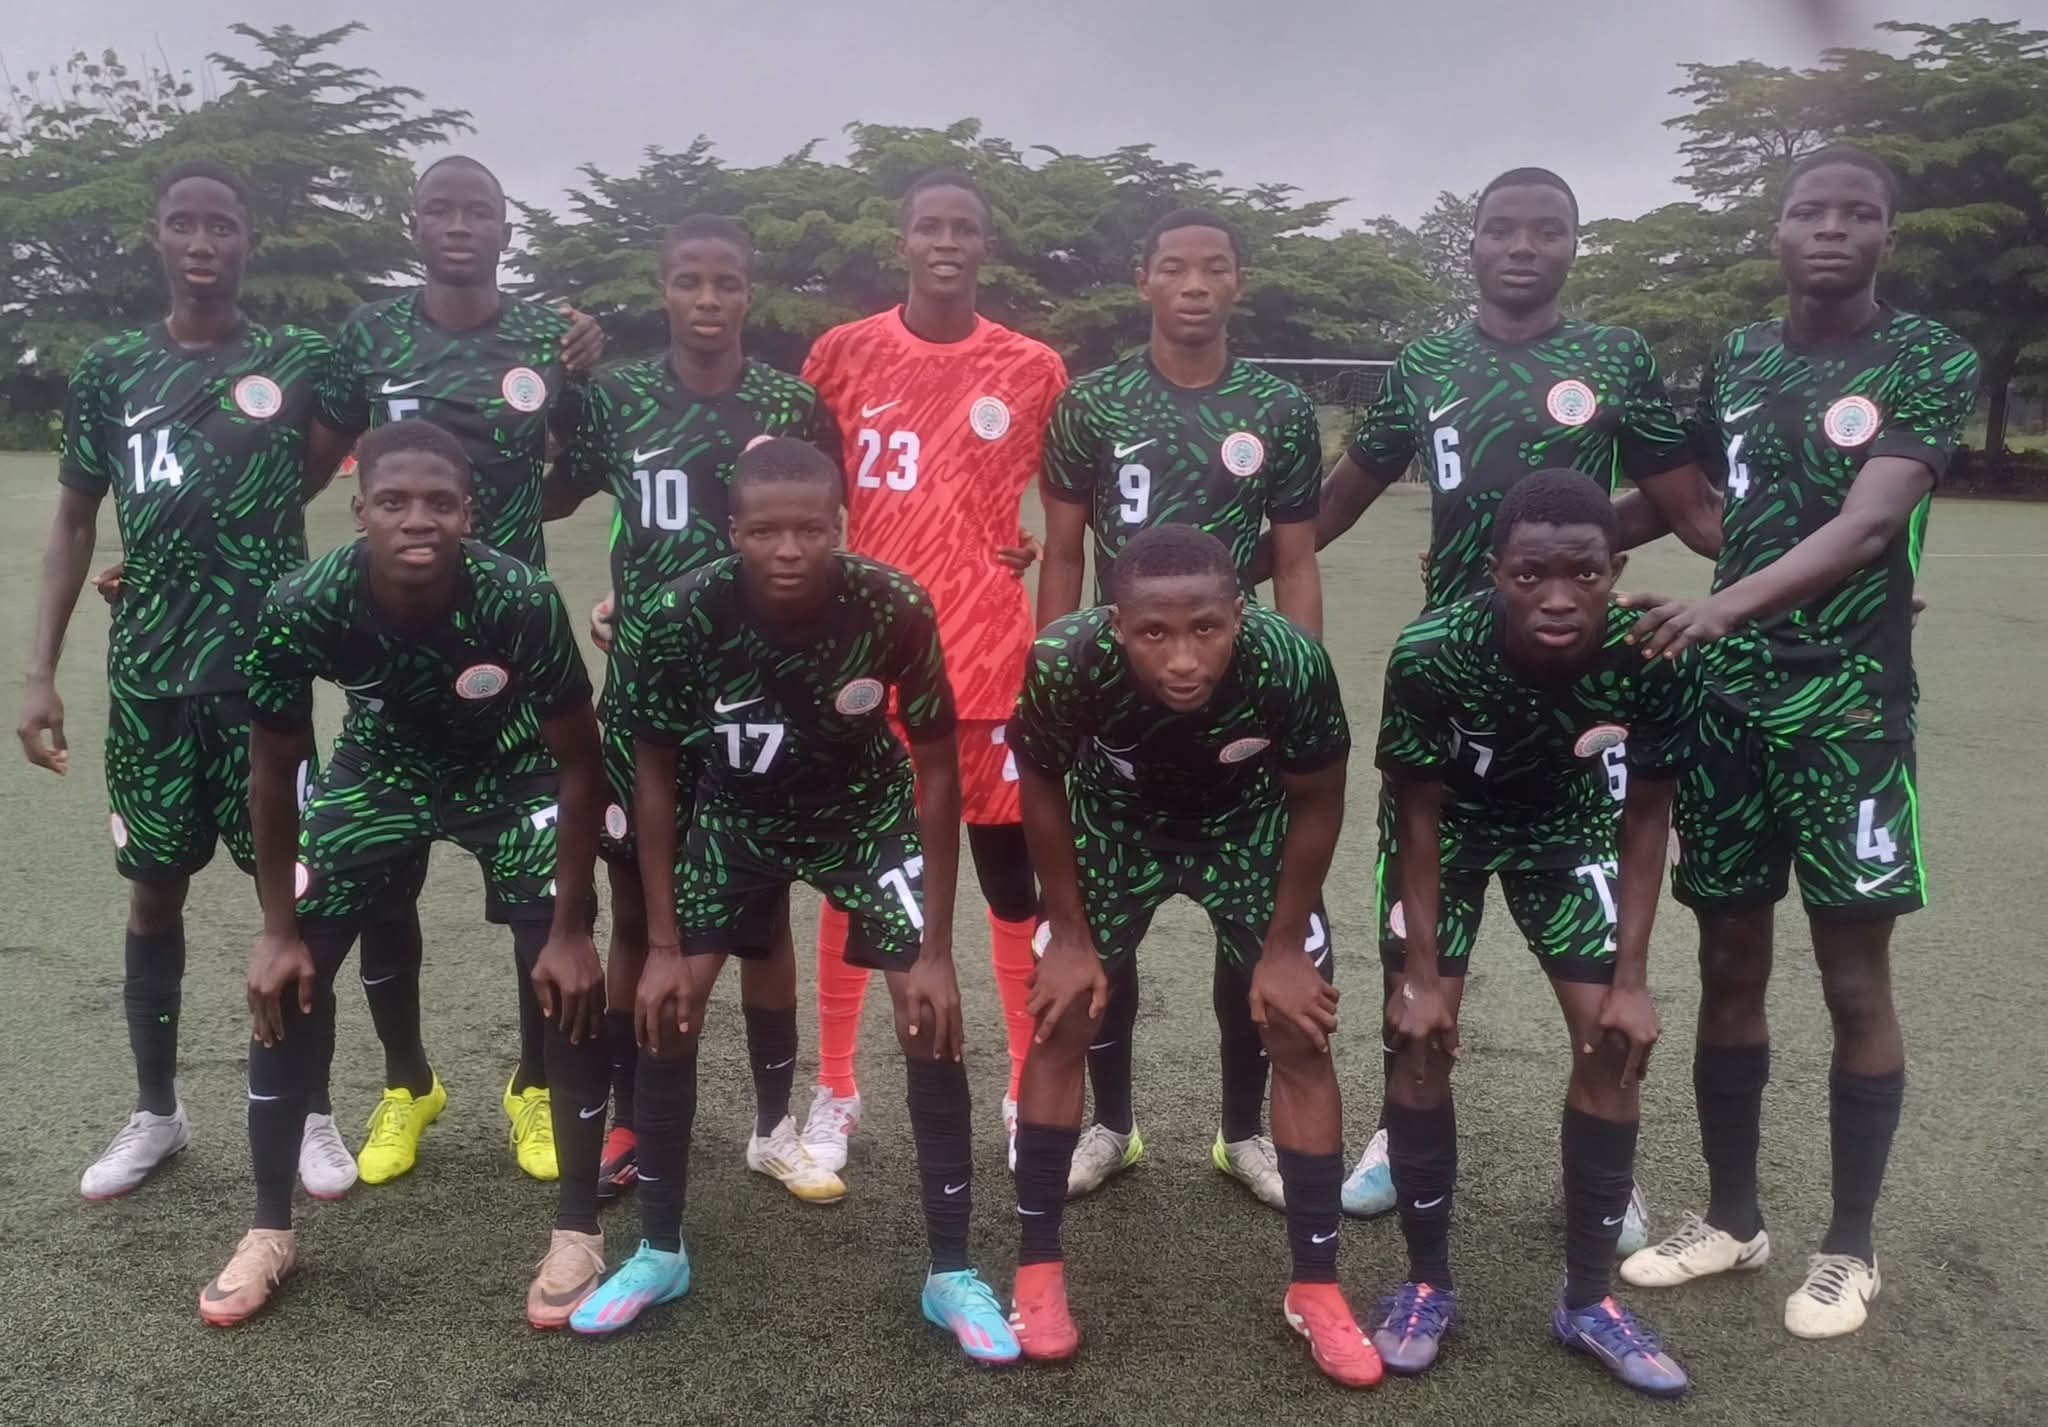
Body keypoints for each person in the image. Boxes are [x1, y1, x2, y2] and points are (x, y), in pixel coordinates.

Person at [1257, 166, 1721, 1224]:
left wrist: (1576, 559)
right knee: (1414, 951)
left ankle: (1606, 1169)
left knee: (1596, 969)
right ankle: (1400, 1127)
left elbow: (1685, 506)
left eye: (1545, 230)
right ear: (1469, 244)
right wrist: (1210, 578)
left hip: (1574, 691)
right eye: (1501, 228)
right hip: (1458, 678)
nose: (1522, 246)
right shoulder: (1426, 363)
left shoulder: (1615, 357)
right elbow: (1335, 500)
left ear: (1572, 245)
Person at [1620, 146, 1979, 1340]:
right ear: (1774, 232)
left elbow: (1871, 522)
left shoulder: (1925, 357)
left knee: (1850, 977)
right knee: (1728, 961)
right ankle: (1731, 1217)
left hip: (1846, 709)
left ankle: (1847, 1246)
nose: (1829, 227)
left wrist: (1720, 603)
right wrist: (1549, 543)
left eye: (1854, 212)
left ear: (1886, 236)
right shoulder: (1739, 355)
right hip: (1727, 708)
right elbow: (1684, 500)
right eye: (1806, 210)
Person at [570, 438, 1014, 1358]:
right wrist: (662, 943)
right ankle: (659, 1251)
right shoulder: (680, 611)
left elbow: (936, 769)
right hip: (737, 816)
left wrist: (935, 948)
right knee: (669, 1005)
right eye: (765, 531)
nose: (787, 548)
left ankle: (952, 1271)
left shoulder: (892, 604)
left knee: (930, 1012)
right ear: (733, 531)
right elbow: (655, 775)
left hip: (863, 812)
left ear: (838, 527)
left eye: (810, 529)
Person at [201, 419, 608, 1328]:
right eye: (393, 501)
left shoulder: (519, 597)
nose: (417, 519)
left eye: (438, 502)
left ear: (469, 512)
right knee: (290, 971)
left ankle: (578, 1228)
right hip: (380, 765)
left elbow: (581, 763)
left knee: (567, 972)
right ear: (360, 512)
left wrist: (573, 925)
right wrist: (276, 927)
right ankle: (268, 1229)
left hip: (510, 766)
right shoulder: (304, 600)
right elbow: (273, 766)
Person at [16, 159, 360, 1203]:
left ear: (250, 238)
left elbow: (319, 462)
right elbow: (75, 517)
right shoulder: (110, 368)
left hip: (265, 677)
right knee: (153, 892)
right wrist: (38, 672)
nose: (202, 241)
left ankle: (310, 1108)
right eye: (183, 223)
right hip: (150, 678)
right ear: (156, 236)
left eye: (221, 224)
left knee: (294, 895)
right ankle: (157, 1110)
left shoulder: (299, 359)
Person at [1007, 524, 1373, 1385]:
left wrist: (1284, 946)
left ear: (1240, 613)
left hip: (1246, 829)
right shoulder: (1066, 658)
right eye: (1153, 632)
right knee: (1063, 1015)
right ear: (1116, 623)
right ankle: (1037, 1272)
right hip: (1115, 827)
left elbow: (1319, 799)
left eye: (1205, 627)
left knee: (1299, 1030)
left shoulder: (1289, 661)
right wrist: (1069, 935)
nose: (1181, 658)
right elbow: (1042, 784)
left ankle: (1317, 1286)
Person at [315, 153, 604, 1186]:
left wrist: (513, 515)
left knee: (538, 897)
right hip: (396, 662)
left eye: (477, 210)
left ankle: (533, 1085)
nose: (458, 224)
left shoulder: (546, 338)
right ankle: (408, 1083)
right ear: (413, 224)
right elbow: (303, 463)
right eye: (439, 208)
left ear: (504, 229)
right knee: (380, 887)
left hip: (511, 654)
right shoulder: (367, 335)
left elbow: (578, 465)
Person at [1375, 469, 1697, 1396]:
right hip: (1450, 833)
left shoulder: (1652, 652)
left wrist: (1632, 978)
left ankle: (1588, 1300)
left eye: (1583, 574)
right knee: (1418, 1036)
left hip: (1570, 829)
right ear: (1495, 572)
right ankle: (1426, 1283)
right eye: (1531, 575)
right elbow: (1416, 813)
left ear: (1616, 568)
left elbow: (1647, 816)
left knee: (1614, 1040)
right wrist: (1421, 976)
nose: (1558, 596)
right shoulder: (1433, 651)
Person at [546, 214, 840, 1202]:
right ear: (663, 288)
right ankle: (630, 1117)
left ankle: (772, 1125)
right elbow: (550, 495)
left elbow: (819, 531)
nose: (707, 299)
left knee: (762, 911)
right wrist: (554, 384)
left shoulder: (789, 402)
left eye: (725, 282)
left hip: (765, 690)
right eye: (687, 281)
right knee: (638, 907)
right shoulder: (618, 397)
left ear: (749, 292)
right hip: (646, 689)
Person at [1034, 206, 1323, 1206]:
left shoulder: (1278, 407)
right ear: (1144, 281)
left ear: (1238, 281)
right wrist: (1058, 671)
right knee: (1102, 937)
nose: (1194, 284)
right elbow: (1063, 549)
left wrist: (1299, 679)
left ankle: (1243, 1132)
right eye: (1174, 266)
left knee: (1251, 936)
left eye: (1213, 267)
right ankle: (1110, 1125)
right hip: (1120, 697)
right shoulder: (1092, 402)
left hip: (1236, 702)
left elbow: (1295, 558)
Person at [795, 169, 1067, 1175]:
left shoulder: (1033, 367)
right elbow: (792, 491)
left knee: (1008, 880)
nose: (946, 241)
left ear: (985, 247)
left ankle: (1025, 1088)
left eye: (964, 227)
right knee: (853, 876)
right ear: (901, 241)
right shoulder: (842, 352)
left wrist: (1010, 552)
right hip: (863, 657)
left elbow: (1067, 512)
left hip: (990, 656)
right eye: (928, 225)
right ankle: (835, 1087)